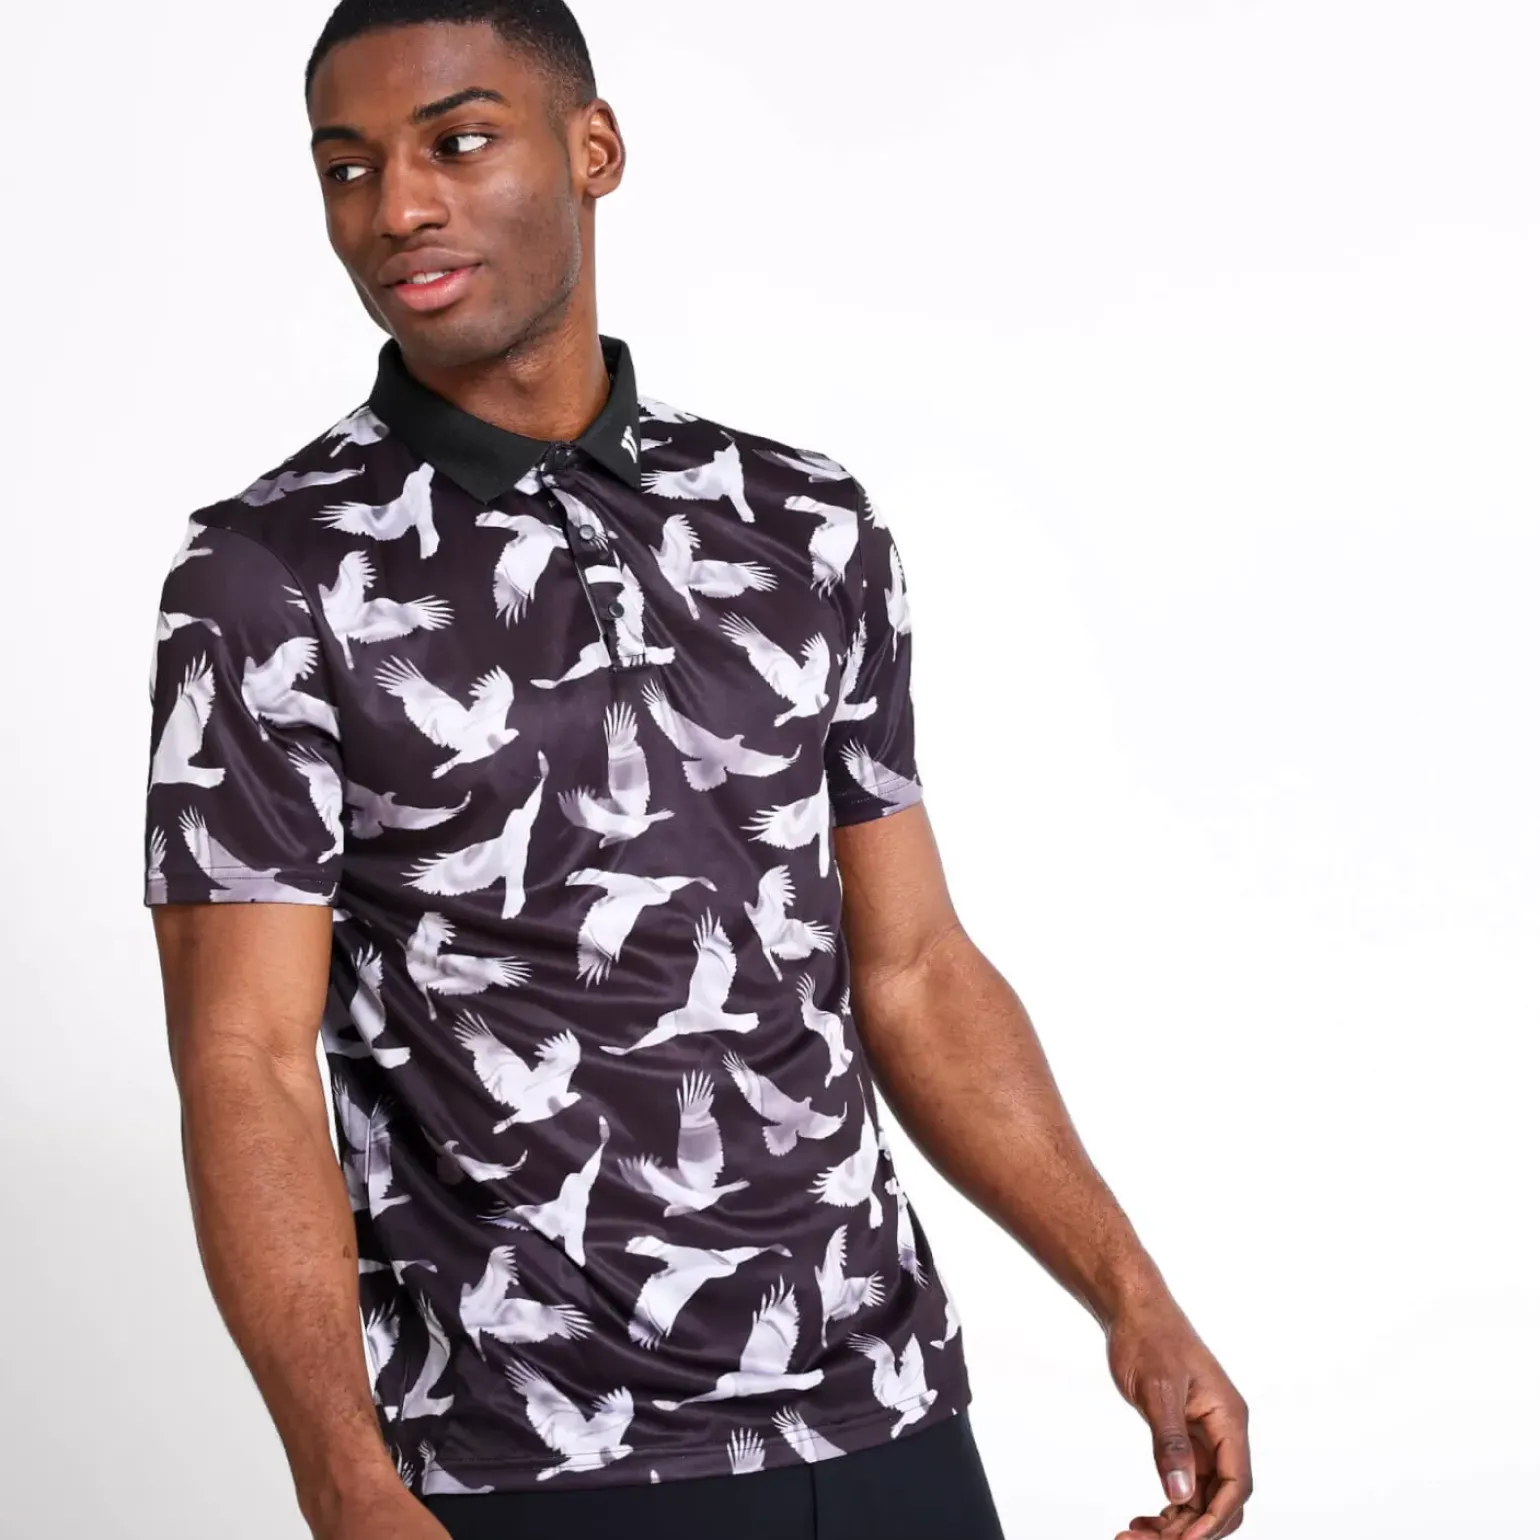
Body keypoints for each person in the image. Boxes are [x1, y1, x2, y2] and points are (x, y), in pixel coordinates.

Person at [141, 3, 1253, 1537]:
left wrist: (1132, 1294)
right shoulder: (269, 576)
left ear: (593, 149)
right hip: (530, 1461)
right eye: (349, 167)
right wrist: (341, 1474)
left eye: (457, 142)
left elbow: (914, 966)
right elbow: (245, 1058)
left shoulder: (803, 524)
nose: (396, 208)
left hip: (883, 1418)